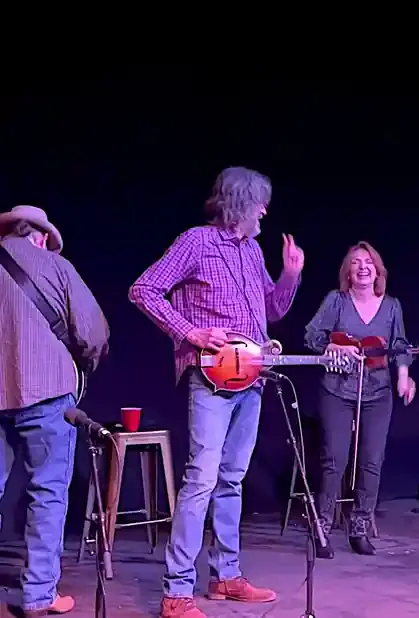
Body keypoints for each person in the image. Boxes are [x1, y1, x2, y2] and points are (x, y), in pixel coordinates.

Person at [129, 168, 304, 618]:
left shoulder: (251, 251)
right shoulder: (196, 242)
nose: (265, 211)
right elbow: (143, 289)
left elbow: (272, 310)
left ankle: (226, 575)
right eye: (260, 202)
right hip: (210, 379)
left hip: (253, 378)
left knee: (231, 478)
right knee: (202, 480)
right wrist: (189, 331)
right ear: (240, 203)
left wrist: (289, 275)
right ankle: (177, 592)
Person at [0, 205, 110, 616]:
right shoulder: (56, 266)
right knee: (46, 494)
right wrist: (84, 363)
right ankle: (38, 595)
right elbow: (93, 331)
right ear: (42, 237)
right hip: (46, 394)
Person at [304, 241, 416, 557]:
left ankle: (359, 527)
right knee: (335, 459)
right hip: (337, 390)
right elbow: (311, 335)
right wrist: (333, 347)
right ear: (348, 273)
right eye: (356, 263)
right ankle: (321, 528)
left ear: (377, 270)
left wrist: (404, 375)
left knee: (371, 461)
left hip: (378, 392)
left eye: (368, 262)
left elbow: (400, 345)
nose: (363, 267)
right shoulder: (336, 301)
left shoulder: (392, 306)